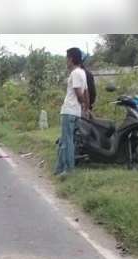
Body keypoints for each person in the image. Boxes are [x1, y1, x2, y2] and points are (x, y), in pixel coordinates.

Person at [55, 47, 90, 177]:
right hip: (75, 112)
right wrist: (86, 107)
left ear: (71, 59)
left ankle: (68, 170)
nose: (66, 62)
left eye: (67, 59)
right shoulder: (83, 72)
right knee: (70, 141)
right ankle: (59, 169)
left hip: (68, 110)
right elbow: (86, 92)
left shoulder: (75, 73)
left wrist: (82, 104)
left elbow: (78, 92)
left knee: (67, 141)